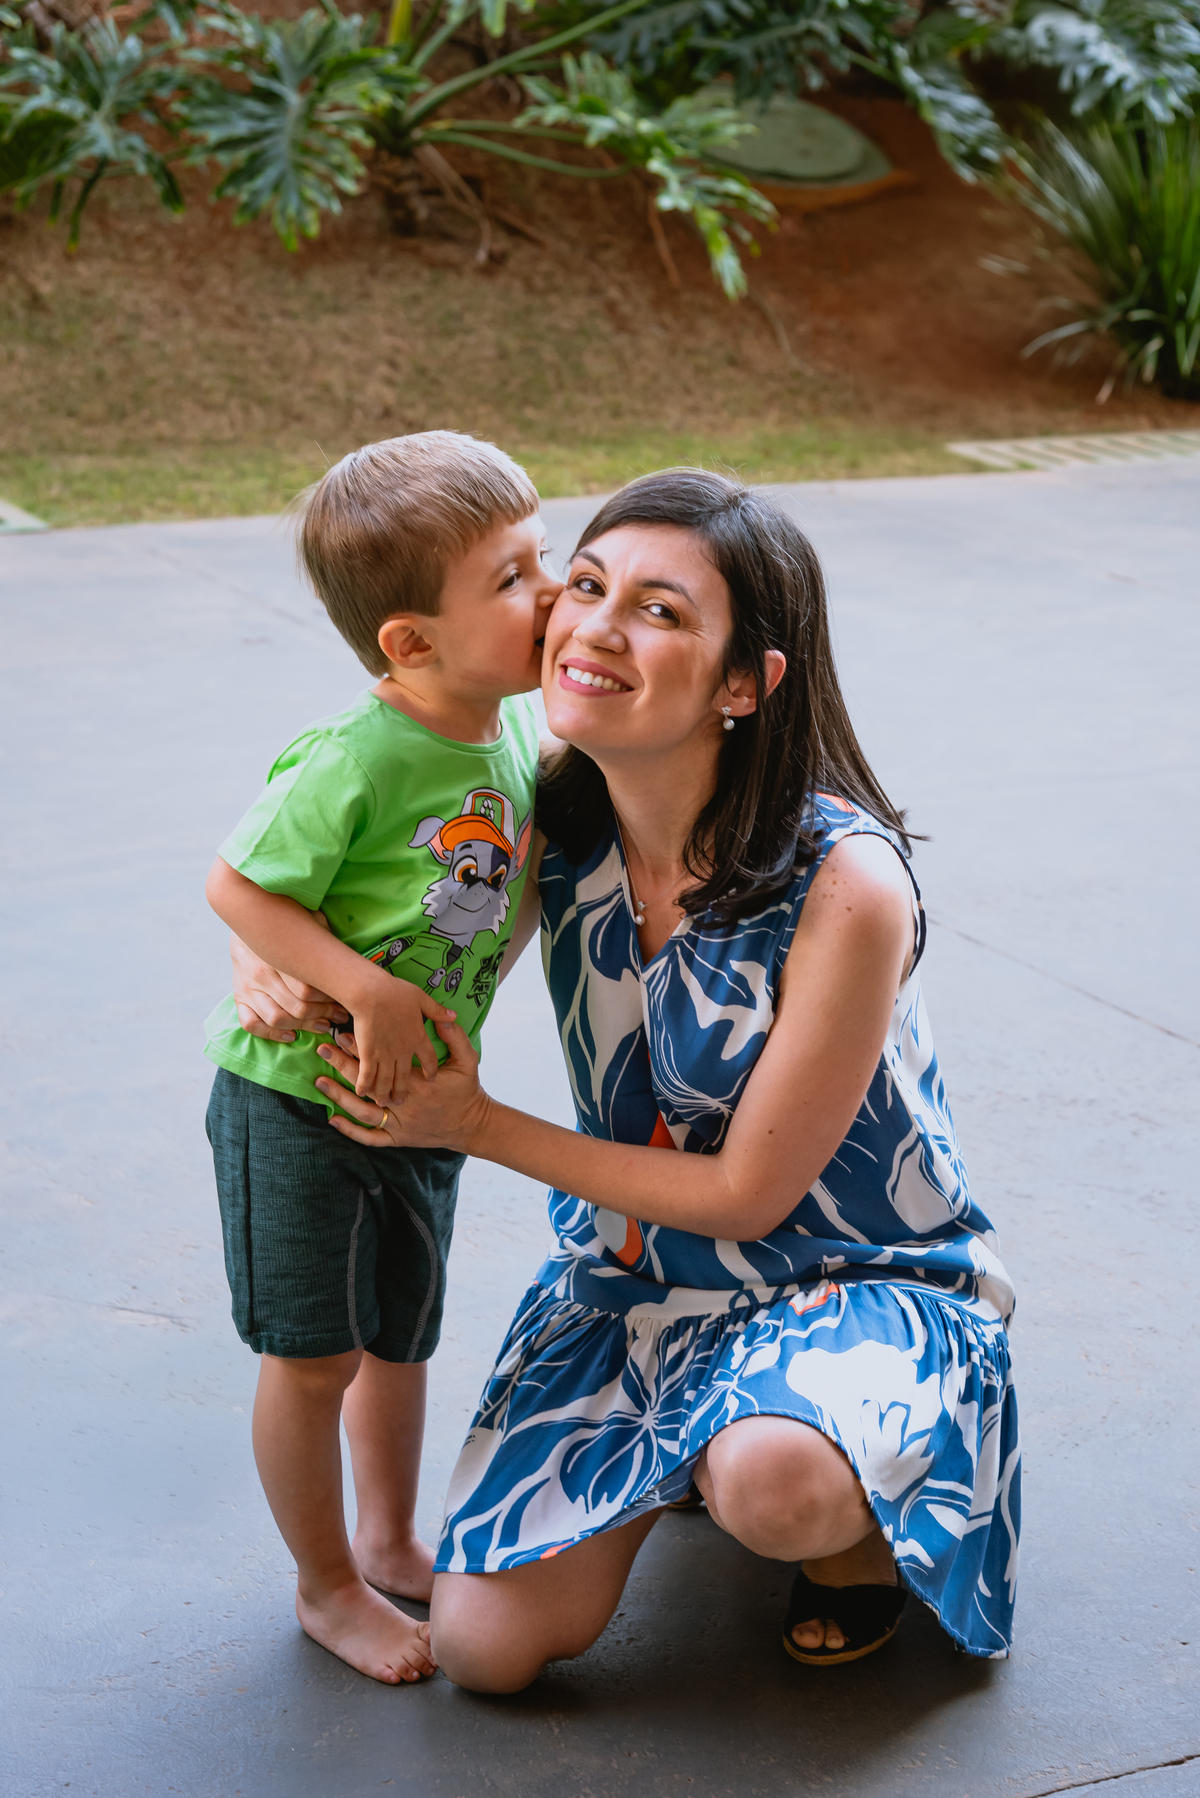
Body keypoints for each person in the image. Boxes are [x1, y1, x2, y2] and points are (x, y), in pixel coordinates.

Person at [238, 468, 1021, 1692]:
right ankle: (706, 1434)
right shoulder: (553, 814)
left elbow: (751, 1196)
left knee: (774, 1486)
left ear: (745, 683)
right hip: (640, 1277)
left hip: (856, 1275)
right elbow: (349, 871)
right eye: (588, 583)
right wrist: (269, 954)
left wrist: (474, 1123)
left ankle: (851, 1524)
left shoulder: (846, 885)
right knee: (484, 1651)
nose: (594, 625)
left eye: (660, 611)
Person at [203, 431, 558, 1685]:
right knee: (315, 1357)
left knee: (400, 1337)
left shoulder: (515, 734)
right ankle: (325, 1586)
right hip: (298, 1099)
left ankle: (391, 1534)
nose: (552, 592)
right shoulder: (356, 754)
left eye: (544, 555)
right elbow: (239, 885)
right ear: (410, 642)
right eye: (512, 578)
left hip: (416, 1105)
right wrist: (355, 985)